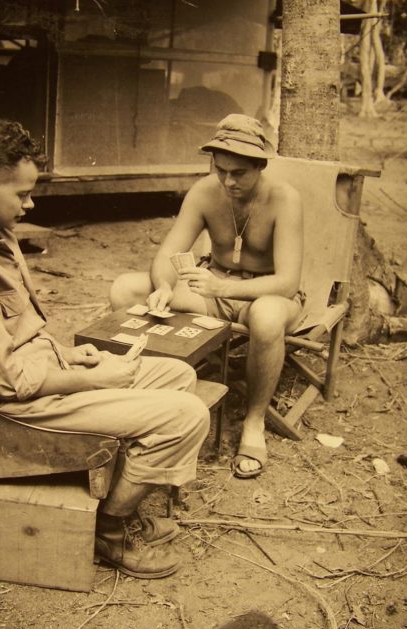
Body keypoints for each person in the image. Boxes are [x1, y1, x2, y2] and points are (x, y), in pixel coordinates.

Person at [0, 120, 210, 579]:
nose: (30, 204)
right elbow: (2, 383)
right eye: (23, 194)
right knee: (188, 416)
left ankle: (120, 497)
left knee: (178, 377)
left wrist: (69, 357)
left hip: (41, 378)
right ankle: (108, 530)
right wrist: (92, 379)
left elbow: (17, 333)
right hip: (9, 413)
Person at [110, 114, 303, 479]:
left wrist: (225, 288)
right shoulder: (204, 192)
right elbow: (169, 253)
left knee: (266, 316)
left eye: (240, 173)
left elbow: (287, 283)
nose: (229, 181)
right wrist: (164, 286)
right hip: (214, 286)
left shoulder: (284, 200)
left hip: (267, 295)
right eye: (221, 169)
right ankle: (139, 399)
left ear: (260, 166)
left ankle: (253, 422)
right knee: (125, 288)